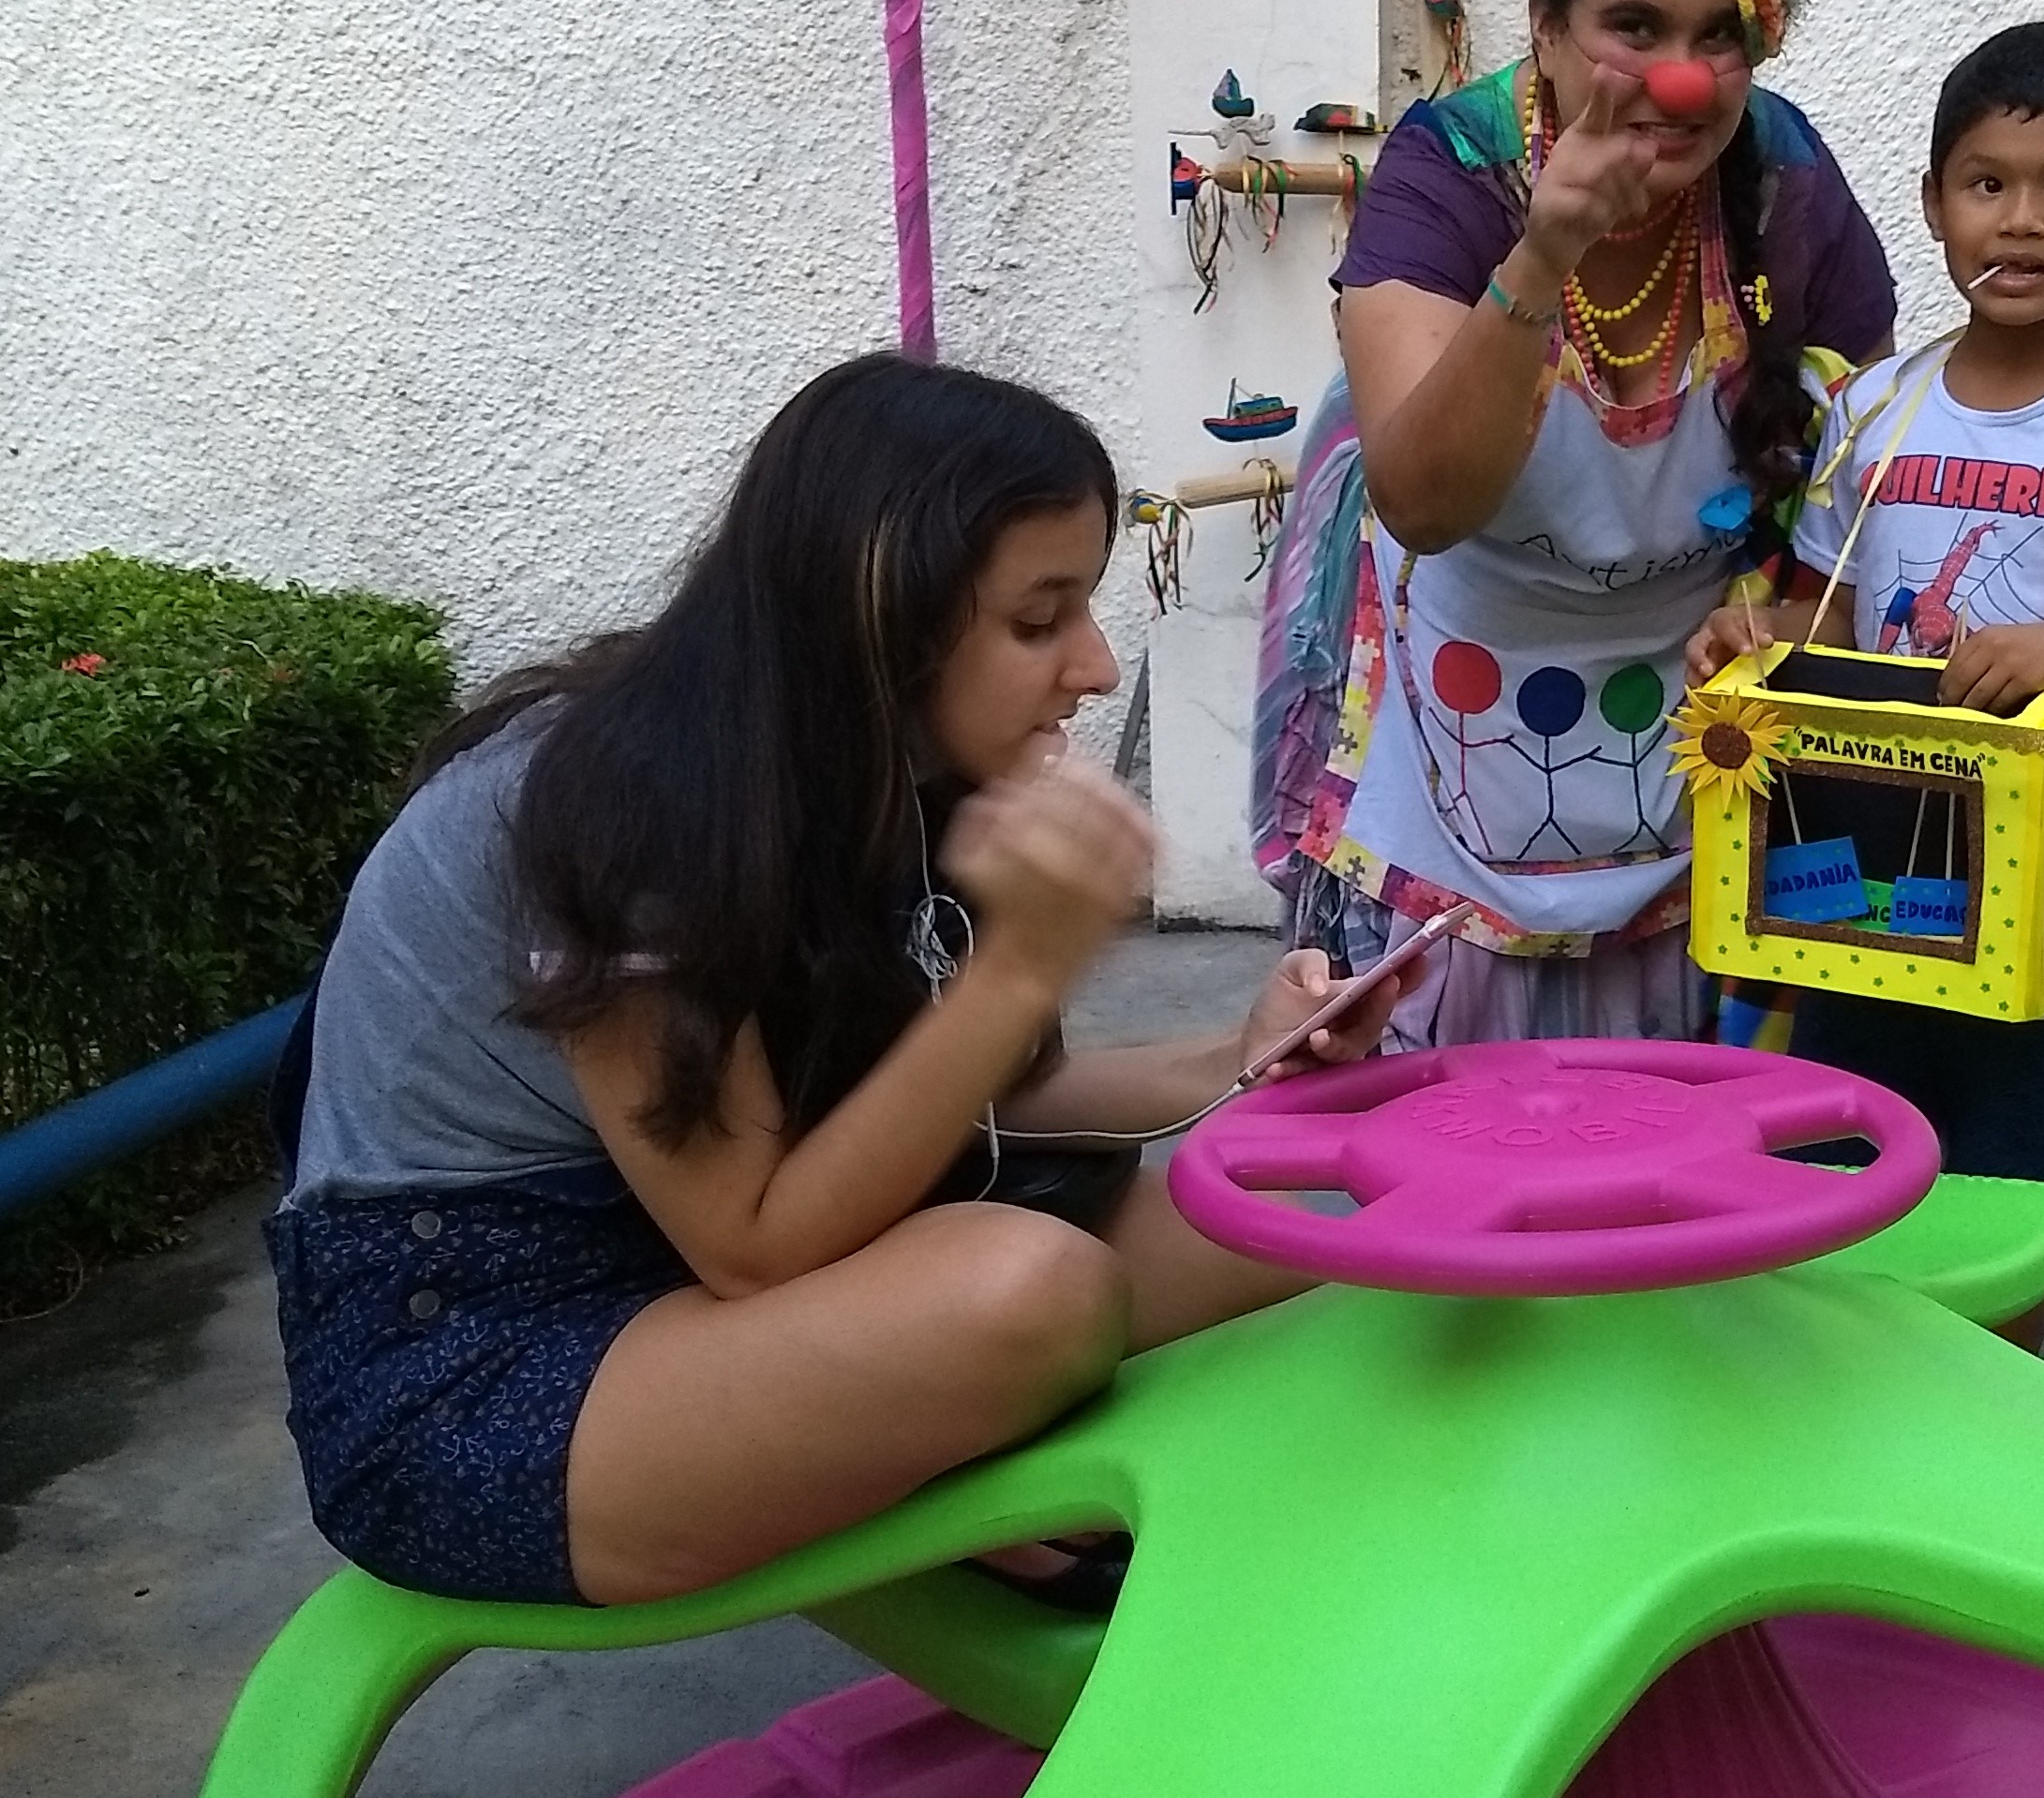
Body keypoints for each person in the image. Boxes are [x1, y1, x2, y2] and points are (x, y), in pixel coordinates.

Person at [266, 356, 1410, 1609]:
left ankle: (946, 1450)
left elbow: (988, 1106)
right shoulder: (621, 811)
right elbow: (756, 1245)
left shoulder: (886, 780)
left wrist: (1243, 1056)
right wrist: (1023, 960)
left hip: (724, 1277)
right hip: (487, 1350)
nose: (1093, 666)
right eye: (1039, 620)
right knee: (1025, 1290)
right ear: (880, 622)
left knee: (1309, 1203)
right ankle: (950, 1468)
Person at [1264, 0, 1898, 1045]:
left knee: (1670, 1158)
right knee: (1454, 1166)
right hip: (1460, 736)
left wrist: (1799, 613)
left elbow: (1869, 466)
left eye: (1722, 36)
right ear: (1545, 25)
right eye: (1637, 27)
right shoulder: (1451, 172)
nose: (1683, 78)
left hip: (1691, 746)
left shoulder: (1783, 172)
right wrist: (1544, 254)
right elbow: (1425, 499)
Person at [1689, 22, 2044, 1185]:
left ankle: (1999, 1370)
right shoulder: (1875, 410)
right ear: (1935, 202)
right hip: (1857, 863)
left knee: (2016, 1183)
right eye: (1986, 184)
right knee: (1848, 1169)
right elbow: (1838, 626)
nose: (2023, 220)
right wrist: (1757, 637)